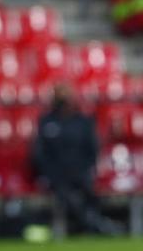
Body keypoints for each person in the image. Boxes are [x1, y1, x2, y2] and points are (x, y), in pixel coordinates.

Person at [31, 83, 122, 236]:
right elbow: (39, 153)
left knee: (90, 193)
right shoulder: (46, 122)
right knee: (68, 196)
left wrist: (85, 168)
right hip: (56, 175)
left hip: (80, 172)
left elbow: (92, 150)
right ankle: (96, 226)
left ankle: (92, 224)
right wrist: (48, 172)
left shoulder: (83, 122)